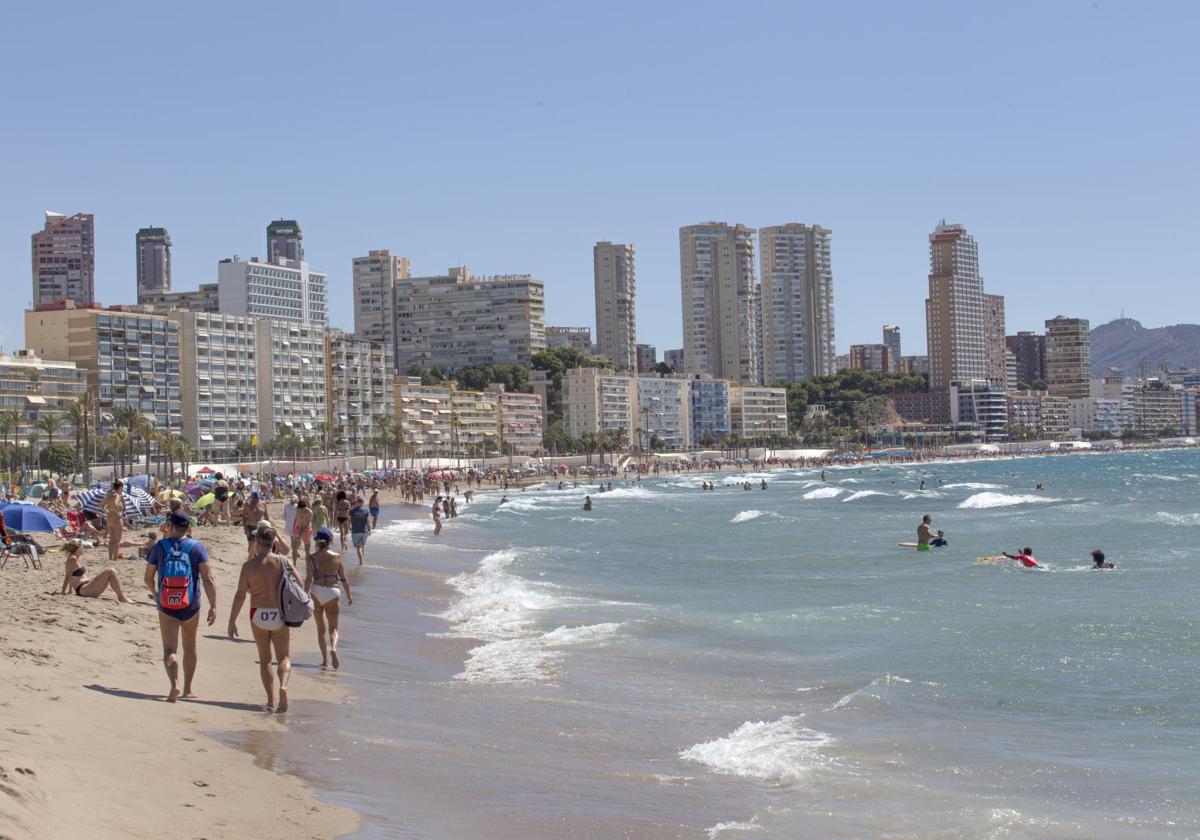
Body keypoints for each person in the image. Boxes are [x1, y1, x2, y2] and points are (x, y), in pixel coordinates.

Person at [144, 512, 217, 702]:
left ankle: (174, 683)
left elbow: (148, 576)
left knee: (169, 649)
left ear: (170, 526)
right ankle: (187, 689)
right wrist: (213, 605)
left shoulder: (160, 547)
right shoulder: (197, 547)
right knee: (190, 646)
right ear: (187, 527)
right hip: (191, 604)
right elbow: (208, 579)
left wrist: (156, 593)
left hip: (167, 604)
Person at [227, 525, 295, 713]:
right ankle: (283, 686)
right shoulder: (282, 562)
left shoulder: (248, 566)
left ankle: (271, 701)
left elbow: (240, 595)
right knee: (284, 657)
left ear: (256, 544)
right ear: (274, 543)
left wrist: (232, 621)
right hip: (279, 613)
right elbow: (300, 583)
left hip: (258, 613)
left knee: (265, 660)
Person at [305, 528, 352, 670]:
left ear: (317, 541)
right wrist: (349, 595)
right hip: (332, 591)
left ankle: (325, 660)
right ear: (331, 540)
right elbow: (344, 579)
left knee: (321, 628)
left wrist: (304, 595)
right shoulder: (336, 557)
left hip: (317, 590)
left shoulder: (311, 557)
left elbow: (308, 579)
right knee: (334, 628)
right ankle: (334, 649)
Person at [60, 539, 129, 601]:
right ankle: (121, 597)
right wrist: (62, 593)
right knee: (110, 571)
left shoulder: (75, 558)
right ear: (78, 548)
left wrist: (70, 591)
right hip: (83, 590)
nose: (83, 549)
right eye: (82, 547)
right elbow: (68, 577)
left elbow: (72, 575)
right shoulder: (72, 559)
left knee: (111, 572)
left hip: (86, 586)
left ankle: (121, 596)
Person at [102, 480, 125, 565]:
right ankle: (115, 558)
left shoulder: (109, 495)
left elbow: (101, 505)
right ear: (120, 487)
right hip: (116, 518)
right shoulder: (117, 495)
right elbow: (115, 504)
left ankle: (110, 557)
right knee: (117, 540)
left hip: (109, 518)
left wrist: (107, 512)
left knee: (111, 539)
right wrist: (118, 513)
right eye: (122, 487)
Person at [348, 496, 372, 563]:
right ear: (362, 503)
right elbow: (368, 521)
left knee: (359, 548)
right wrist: (370, 530)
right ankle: (362, 560)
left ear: (357, 502)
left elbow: (348, 520)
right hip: (364, 531)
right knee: (362, 546)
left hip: (355, 531)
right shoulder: (366, 511)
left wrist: (349, 527)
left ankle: (361, 562)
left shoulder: (352, 510)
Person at [291, 497, 313, 562]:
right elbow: (296, 519)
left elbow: (307, 524)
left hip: (307, 530)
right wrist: (294, 529)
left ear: (305, 507)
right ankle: (294, 564)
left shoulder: (309, 512)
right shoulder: (297, 509)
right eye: (299, 509)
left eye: (302, 509)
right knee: (295, 548)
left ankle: (308, 564)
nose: (301, 511)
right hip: (298, 529)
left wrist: (301, 533)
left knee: (307, 549)